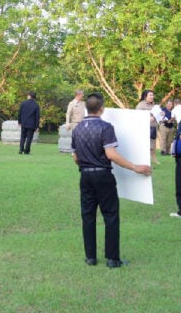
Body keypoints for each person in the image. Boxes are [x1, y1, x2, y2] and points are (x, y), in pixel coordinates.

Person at [71, 92, 152, 268]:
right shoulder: (106, 127)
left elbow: (75, 157)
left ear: (86, 108)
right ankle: (112, 258)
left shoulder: (77, 129)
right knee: (110, 215)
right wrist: (135, 167)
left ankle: (90, 257)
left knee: (88, 216)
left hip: (85, 176)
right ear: (101, 108)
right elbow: (111, 154)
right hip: (103, 176)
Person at [135, 89, 160, 165]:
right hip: (144, 128)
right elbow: (137, 116)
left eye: (153, 95)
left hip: (153, 127)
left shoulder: (154, 106)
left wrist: (161, 114)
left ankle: (154, 159)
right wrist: (148, 118)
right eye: (150, 95)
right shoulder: (140, 105)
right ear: (145, 96)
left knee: (153, 145)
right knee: (144, 145)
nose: (152, 97)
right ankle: (142, 161)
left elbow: (157, 115)